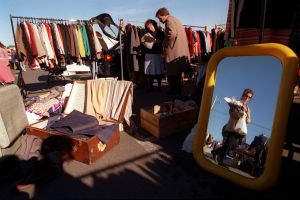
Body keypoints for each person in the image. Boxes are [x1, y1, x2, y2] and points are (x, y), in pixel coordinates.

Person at [212, 88, 254, 166]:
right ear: (243, 95)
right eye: (246, 96)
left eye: (249, 97)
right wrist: (239, 113)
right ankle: (220, 161)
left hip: (240, 129)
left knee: (232, 146)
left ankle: (216, 152)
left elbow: (248, 121)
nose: (247, 98)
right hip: (232, 126)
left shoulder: (248, 109)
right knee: (229, 143)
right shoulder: (236, 103)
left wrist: (247, 114)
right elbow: (231, 114)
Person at [155, 7, 190, 95]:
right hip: (178, 50)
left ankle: (175, 92)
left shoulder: (169, 21)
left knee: (173, 73)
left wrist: (164, 43)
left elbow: (172, 34)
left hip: (174, 51)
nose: (159, 20)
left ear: (164, 15)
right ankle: (176, 91)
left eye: (159, 17)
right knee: (176, 73)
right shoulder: (175, 19)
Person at [141, 19, 165, 92]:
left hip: (158, 54)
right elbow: (142, 40)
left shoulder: (160, 32)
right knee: (149, 71)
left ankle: (159, 86)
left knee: (158, 71)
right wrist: (143, 41)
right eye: (147, 27)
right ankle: (150, 86)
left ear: (153, 24)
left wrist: (154, 41)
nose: (149, 28)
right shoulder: (146, 33)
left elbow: (162, 41)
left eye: (149, 26)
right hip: (148, 54)